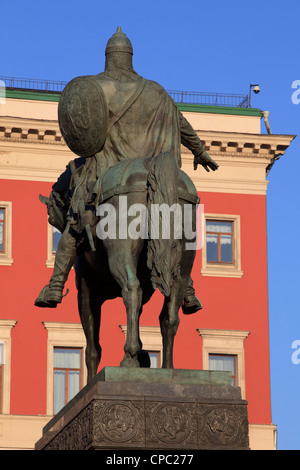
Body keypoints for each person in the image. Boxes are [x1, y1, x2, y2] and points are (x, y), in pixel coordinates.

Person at [35, 27, 218, 313]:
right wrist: (199, 151)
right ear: (130, 58)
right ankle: (188, 287)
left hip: (106, 173)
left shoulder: (95, 88)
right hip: (154, 173)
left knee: (73, 219)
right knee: (173, 215)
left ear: (109, 57)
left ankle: (56, 283)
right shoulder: (156, 91)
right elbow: (180, 122)